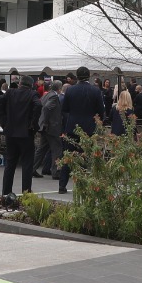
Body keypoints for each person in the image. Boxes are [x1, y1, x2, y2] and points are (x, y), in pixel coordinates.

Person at [56, 66, 105, 195]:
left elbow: (65, 109)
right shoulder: (95, 91)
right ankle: (82, 185)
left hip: (72, 127)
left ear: (76, 77)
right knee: (85, 156)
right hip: (88, 128)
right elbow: (101, 111)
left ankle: (62, 185)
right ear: (89, 76)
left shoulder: (70, 90)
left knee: (68, 157)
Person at [0, 79, 40, 200]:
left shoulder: (10, 92)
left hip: (11, 132)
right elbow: (38, 105)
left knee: (10, 163)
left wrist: (3, 121)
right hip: (25, 133)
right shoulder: (32, 94)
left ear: (20, 84)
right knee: (27, 165)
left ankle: (6, 192)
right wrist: (33, 124)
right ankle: (26, 194)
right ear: (31, 86)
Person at [35, 81, 63, 177]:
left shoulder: (46, 95)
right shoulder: (54, 97)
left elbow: (42, 106)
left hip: (44, 127)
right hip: (52, 127)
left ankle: (32, 168)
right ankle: (56, 172)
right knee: (57, 150)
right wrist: (46, 122)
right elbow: (47, 108)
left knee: (41, 149)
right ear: (59, 88)